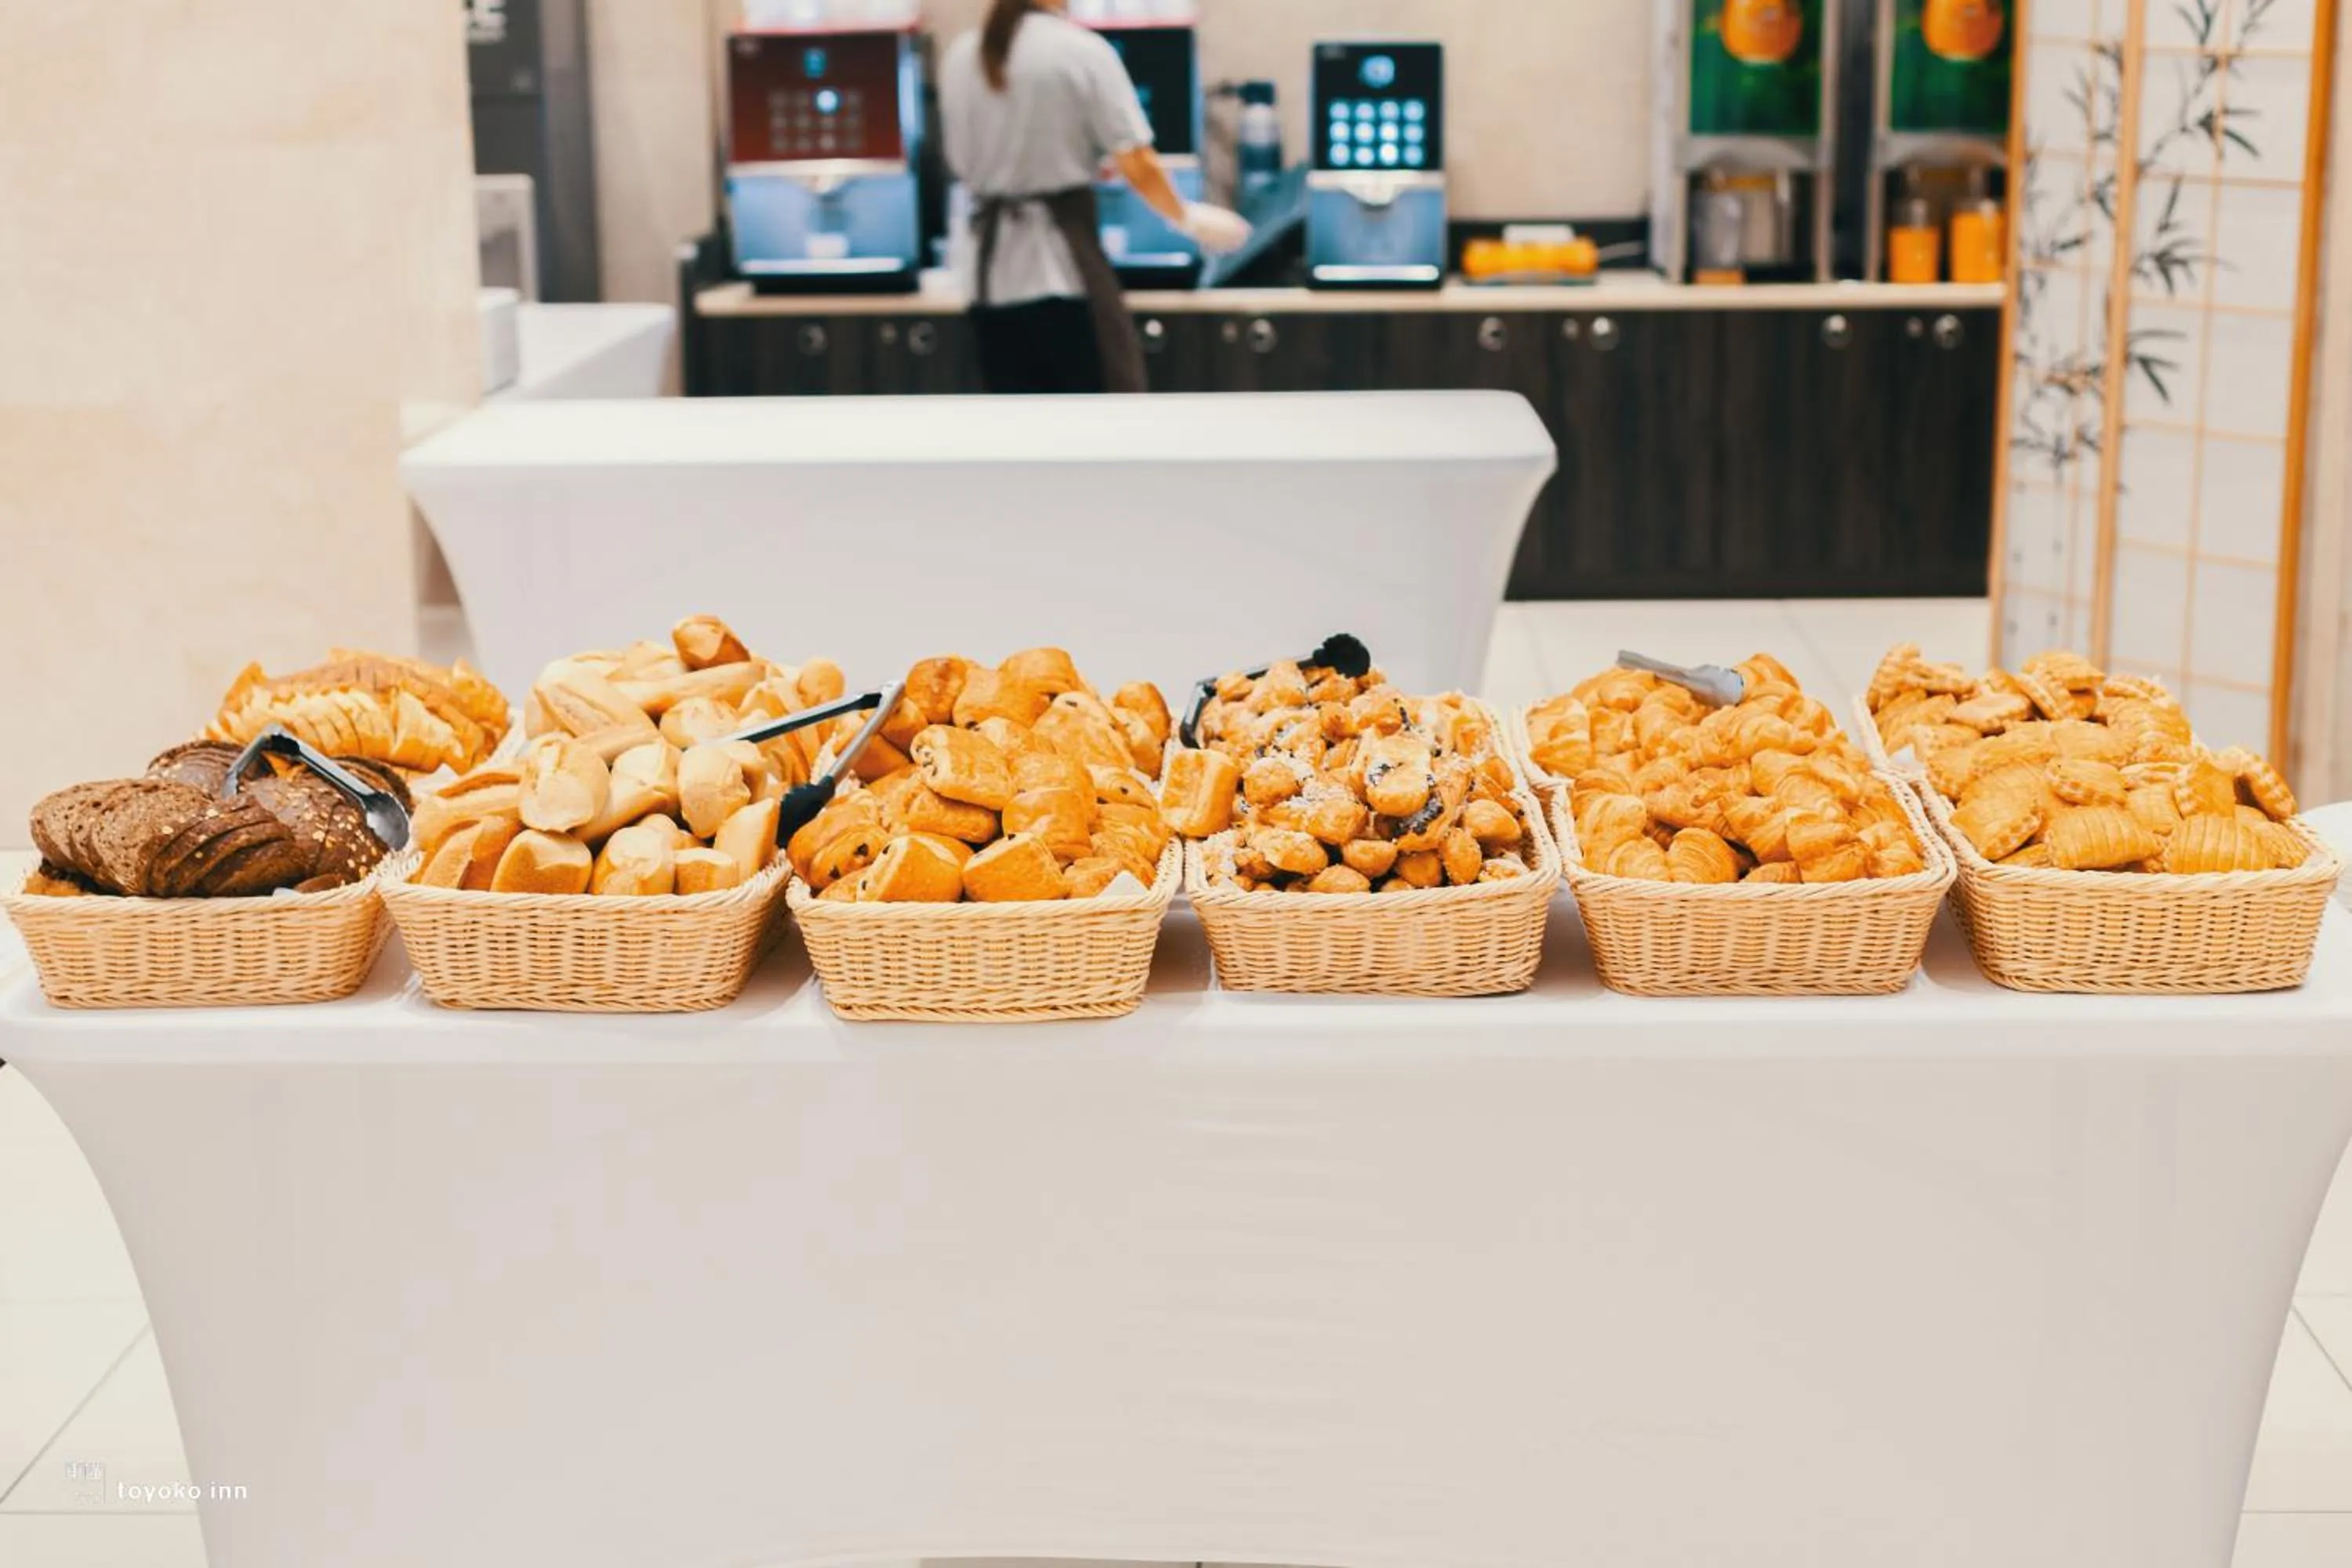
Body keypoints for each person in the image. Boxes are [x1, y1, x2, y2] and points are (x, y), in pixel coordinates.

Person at [940, 0, 1251, 394]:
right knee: (1102, 412)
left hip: (986, 279)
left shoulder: (962, 55)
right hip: (1060, 272)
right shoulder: (1079, 51)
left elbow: (966, 163)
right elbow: (1138, 162)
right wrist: (1186, 217)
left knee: (1014, 419)